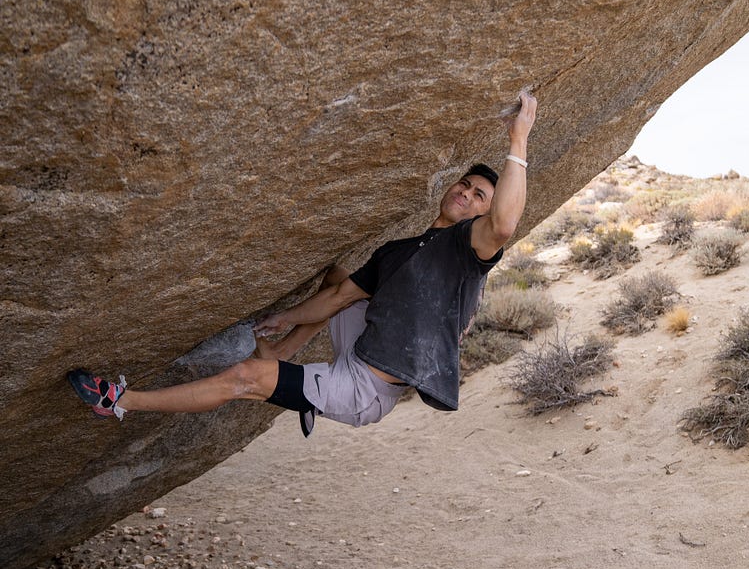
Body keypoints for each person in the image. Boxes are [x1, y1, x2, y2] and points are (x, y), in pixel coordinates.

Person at [68, 90, 538, 433]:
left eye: (480, 195)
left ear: (482, 210)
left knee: (245, 379)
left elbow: (501, 226)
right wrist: (285, 319)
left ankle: (120, 401)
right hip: (362, 348)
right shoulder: (402, 250)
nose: (466, 193)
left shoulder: (467, 250)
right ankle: (282, 353)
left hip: (365, 390)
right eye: (465, 184)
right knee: (339, 281)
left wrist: (519, 140)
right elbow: (338, 295)